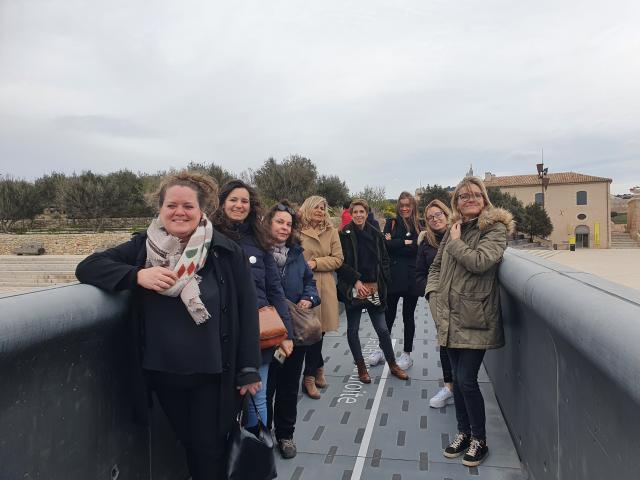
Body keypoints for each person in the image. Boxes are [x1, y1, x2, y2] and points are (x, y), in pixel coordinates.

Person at [75, 172, 261, 480]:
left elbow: (246, 310)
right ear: (160, 209)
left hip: (213, 375)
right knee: (189, 445)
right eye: (171, 205)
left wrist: (249, 367)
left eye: (188, 206)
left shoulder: (225, 251)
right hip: (163, 374)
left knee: (208, 450)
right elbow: (88, 267)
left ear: (202, 210)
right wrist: (137, 275)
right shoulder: (142, 248)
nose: (179, 212)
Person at [426, 177, 513, 467]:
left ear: (484, 199)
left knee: (466, 379)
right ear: (456, 202)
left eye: (476, 194)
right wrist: (433, 296)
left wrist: (454, 242)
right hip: (448, 315)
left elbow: (480, 262)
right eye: (463, 196)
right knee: (455, 381)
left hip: (475, 317)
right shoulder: (456, 227)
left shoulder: (495, 228)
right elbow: (436, 267)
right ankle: (463, 432)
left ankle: (480, 439)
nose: (469, 199)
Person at [212, 179, 294, 431]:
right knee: (223, 401)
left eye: (244, 201)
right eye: (233, 200)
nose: (239, 205)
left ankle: (258, 453)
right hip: (219, 333)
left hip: (257, 332)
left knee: (257, 397)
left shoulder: (258, 240)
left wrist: (287, 332)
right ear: (221, 202)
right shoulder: (207, 235)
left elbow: (274, 289)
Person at [265, 201, 321, 459]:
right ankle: (262, 435)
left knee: (288, 387)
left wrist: (310, 297)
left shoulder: (297, 254)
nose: (285, 227)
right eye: (280, 222)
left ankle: (285, 435)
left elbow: (310, 283)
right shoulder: (257, 252)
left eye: (289, 223)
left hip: (295, 334)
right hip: (266, 335)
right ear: (268, 222)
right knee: (266, 389)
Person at [337, 199, 409, 383]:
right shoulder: (343, 234)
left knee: (383, 329)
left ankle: (393, 364)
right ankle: (361, 367)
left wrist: (382, 281)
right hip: (353, 289)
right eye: (355, 212)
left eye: (362, 211)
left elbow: (384, 259)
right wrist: (355, 281)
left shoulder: (376, 234)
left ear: (367, 213)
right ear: (351, 214)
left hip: (374, 288)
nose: (359, 215)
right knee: (352, 331)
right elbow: (339, 262)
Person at [298, 195, 344, 399]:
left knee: (319, 332)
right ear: (307, 208)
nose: (320, 210)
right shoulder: (296, 229)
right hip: (301, 285)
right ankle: (317, 369)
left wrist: (316, 263)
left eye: (323, 207)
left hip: (324, 286)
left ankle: (309, 376)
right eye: (316, 207)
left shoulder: (331, 231)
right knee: (306, 332)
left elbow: (338, 259)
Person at [370, 191, 421, 370]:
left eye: (408, 205)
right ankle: (382, 349)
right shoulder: (391, 223)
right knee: (388, 315)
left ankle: (407, 355)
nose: (405, 208)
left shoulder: (419, 225)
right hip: (393, 277)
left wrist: (397, 243)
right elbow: (385, 245)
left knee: (408, 317)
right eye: (402, 205)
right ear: (398, 207)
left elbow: (418, 247)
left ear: (413, 206)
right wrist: (406, 242)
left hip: (412, 277)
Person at [416, 199, 454, 408]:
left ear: (447, 214)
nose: (435, 219)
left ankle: (462, 386)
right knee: (445, 342)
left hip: (462, 299)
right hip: (439, 301)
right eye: (430, 217)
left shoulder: (459, 235)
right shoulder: (425, 243)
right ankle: (449, 386)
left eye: (438, 214)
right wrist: (431, 293)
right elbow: (419, 274)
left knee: (462, 344)